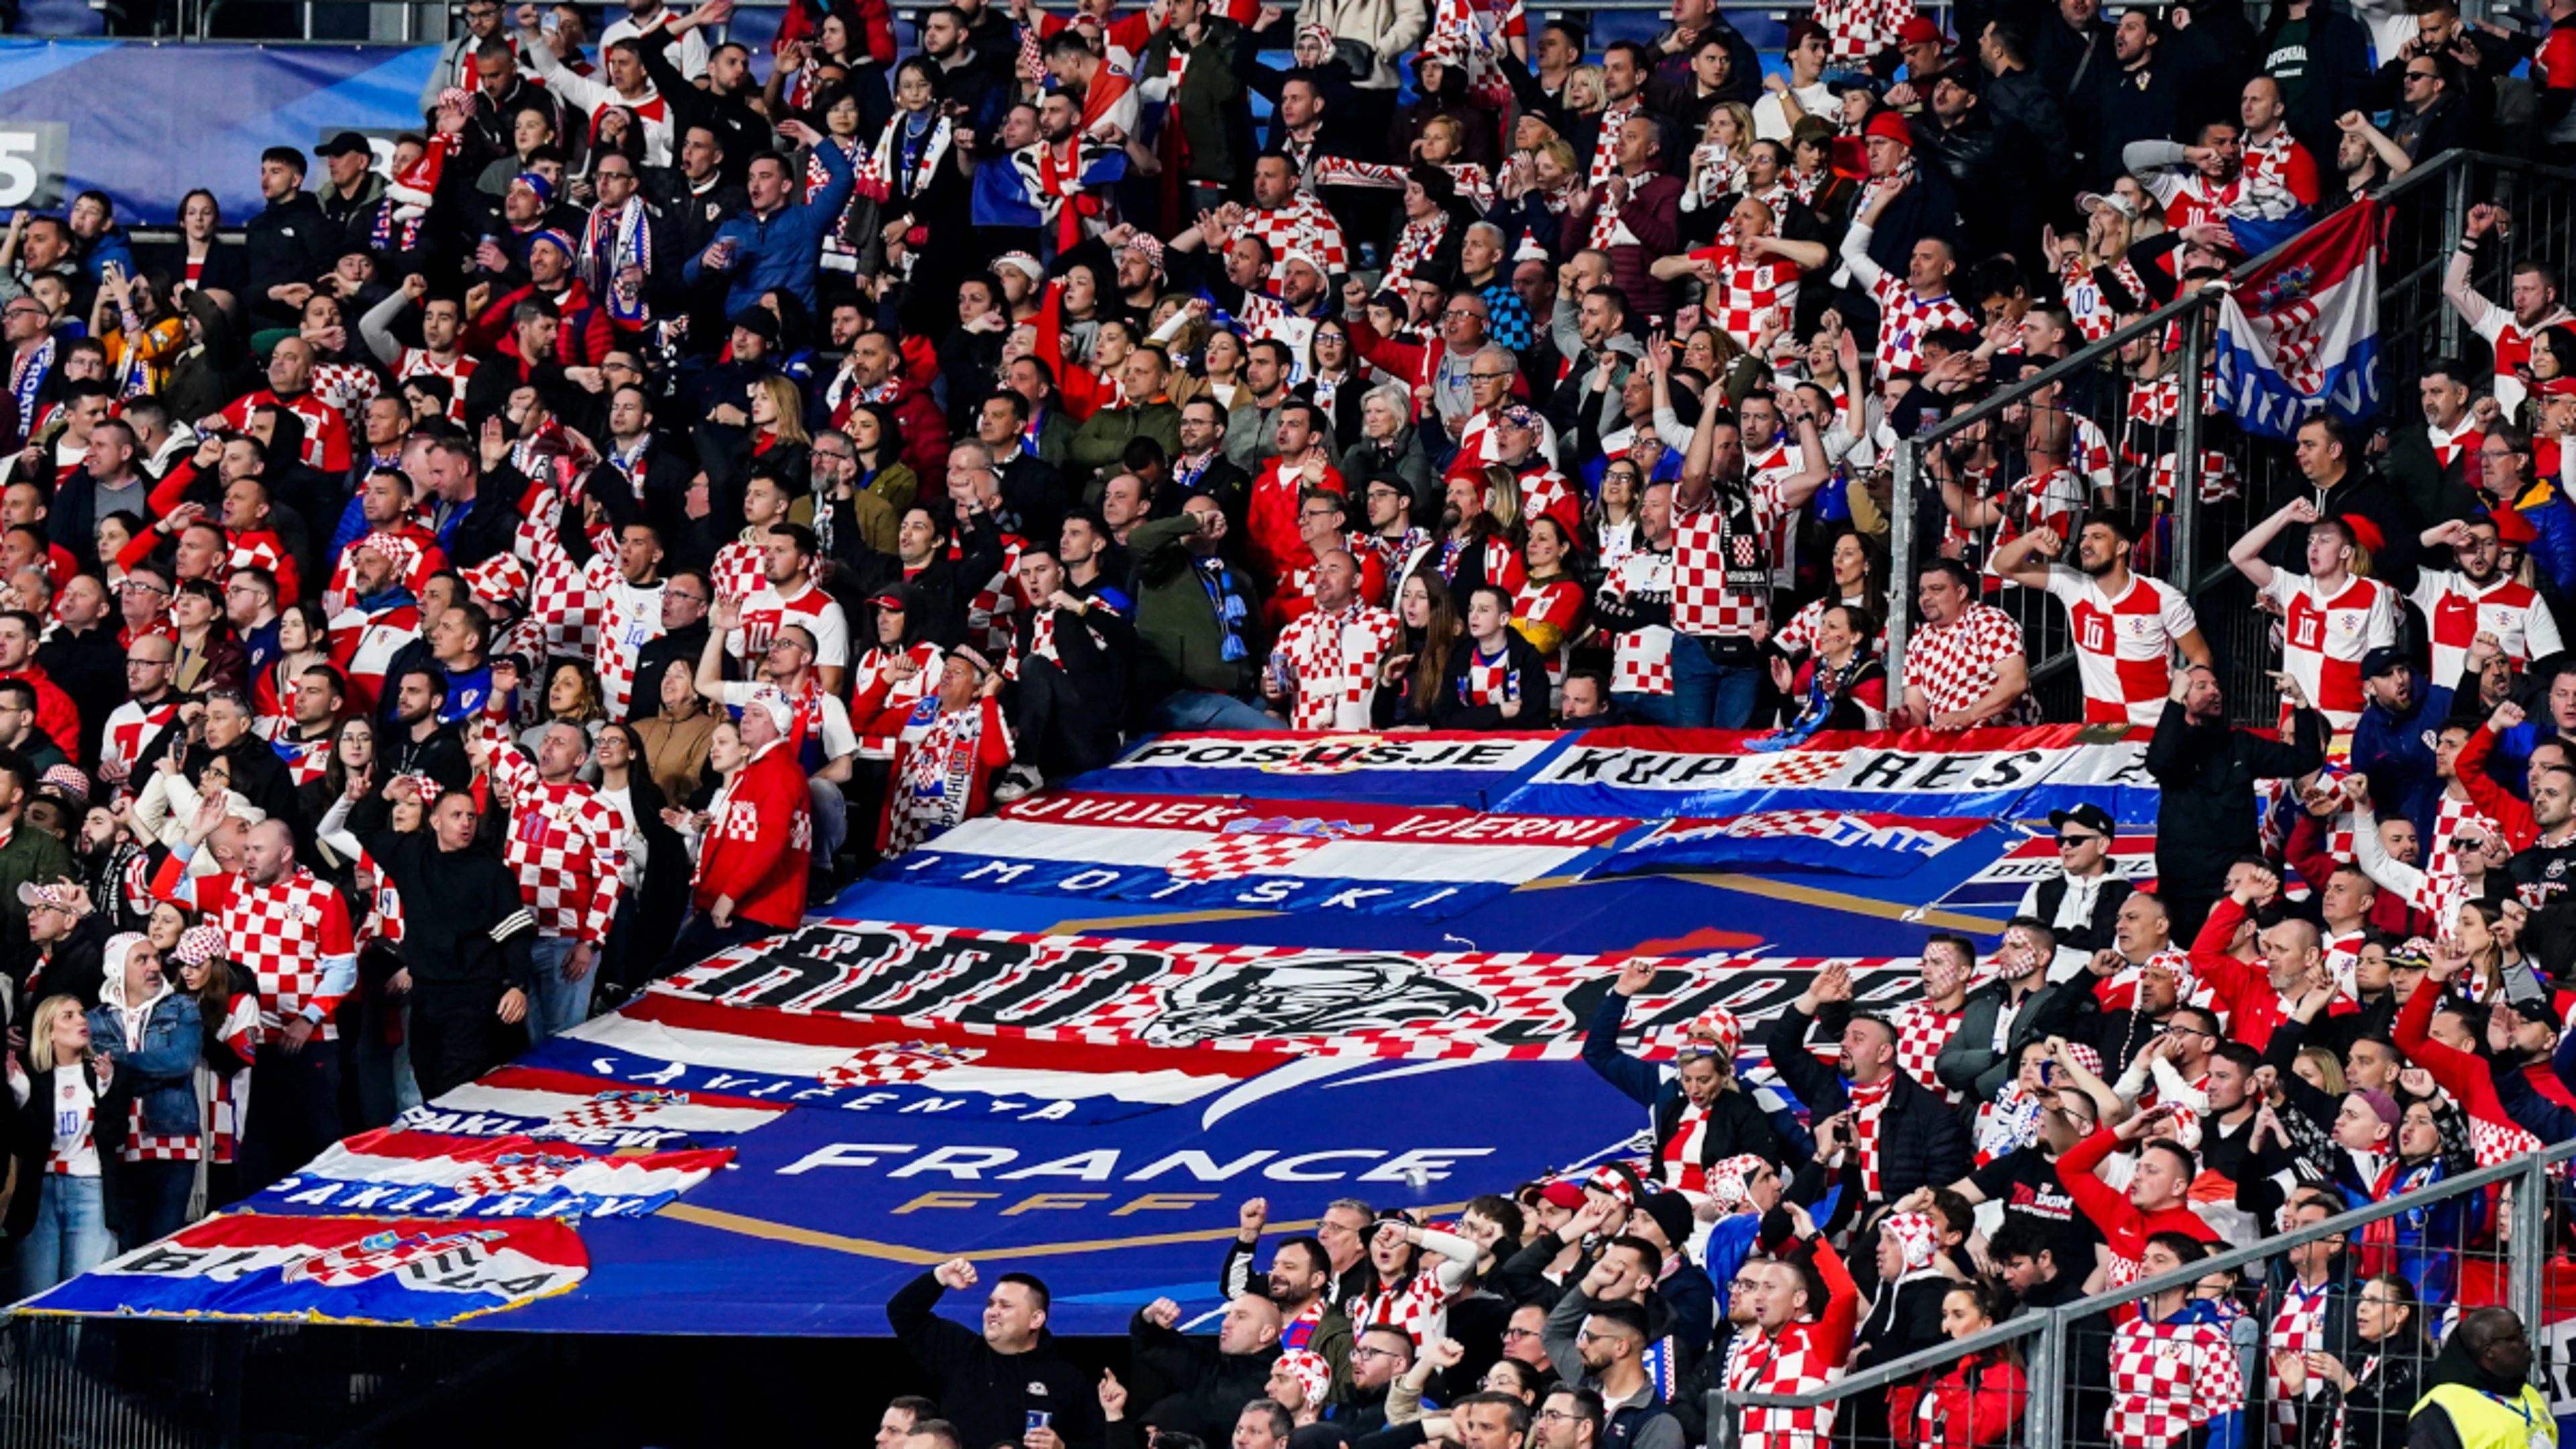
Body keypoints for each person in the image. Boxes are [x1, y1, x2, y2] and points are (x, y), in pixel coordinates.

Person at [333, 771, 534, 1100]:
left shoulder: (492, 872)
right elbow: (365, 830)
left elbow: (516, 935)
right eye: (457, 815)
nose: (466, 823)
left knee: (458, 1091)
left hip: (475, 998)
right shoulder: (413, 855)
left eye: (471, 816)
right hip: (426, 997)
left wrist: (518, 985)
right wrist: (384, 796)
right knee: (427, 1080)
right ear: (436, 821)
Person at [2146, 664, 2328, 943]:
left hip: (2237, 884)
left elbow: (2306, 759)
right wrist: (2173, 702)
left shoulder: (2241, 744)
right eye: (2202, 686)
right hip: (2185, 888)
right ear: (2182, 695)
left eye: (2217, 685)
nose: (2215, 691)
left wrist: (2300, 702)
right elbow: (2158, 762)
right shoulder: (2174, 746)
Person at [888, 1258, 1101, 1449]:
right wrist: (939, 1277)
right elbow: (902, 1313)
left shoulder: (1068, 1381)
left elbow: (1101, 1443)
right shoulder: (960, 1352)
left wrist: (1062, 1448)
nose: (992, 1312)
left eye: (1005, 1306)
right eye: (990, 1304)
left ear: (1036, 1319)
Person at [8, 993, 121, 1297]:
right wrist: (21, 1098)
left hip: (90, 1190)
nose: (81, 1021)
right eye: (68, 1016)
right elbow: (23, 1144)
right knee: (36, 1298)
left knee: (82, 1299)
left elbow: (115, 1137)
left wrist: (108, 1090)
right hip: (40, 1194)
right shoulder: (31, 1077)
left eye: (82, 1014)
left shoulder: (101, 1071)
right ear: (49, 1030)